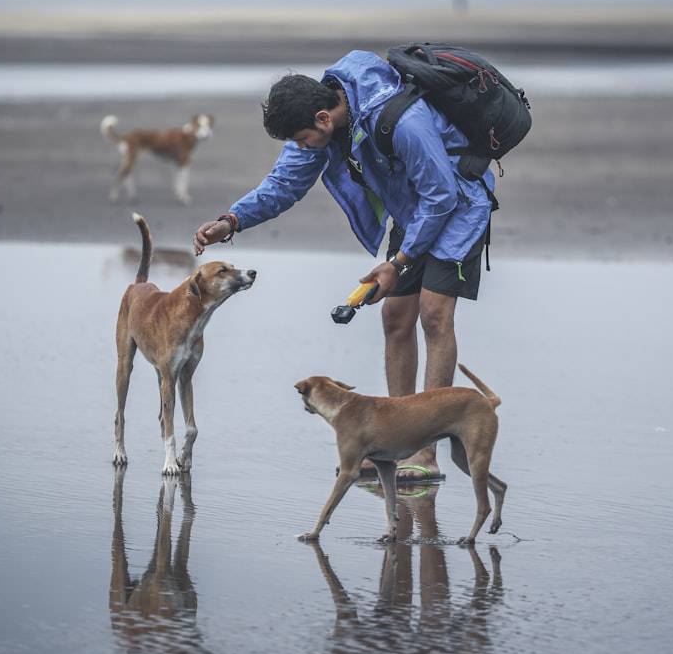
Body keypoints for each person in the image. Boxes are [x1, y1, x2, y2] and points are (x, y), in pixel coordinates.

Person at [193, 49, 494, 481]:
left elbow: (442, 195)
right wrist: (232, 220)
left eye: (300, 139)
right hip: (415, 211)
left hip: (460, 205)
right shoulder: (322, 123)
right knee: (395, 317)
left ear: (321, 118)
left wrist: (400, 261)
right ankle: (397, 443)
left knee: (433, 314)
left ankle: (425, 452)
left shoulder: (401, 119)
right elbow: (284, 183)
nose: (300, 148)